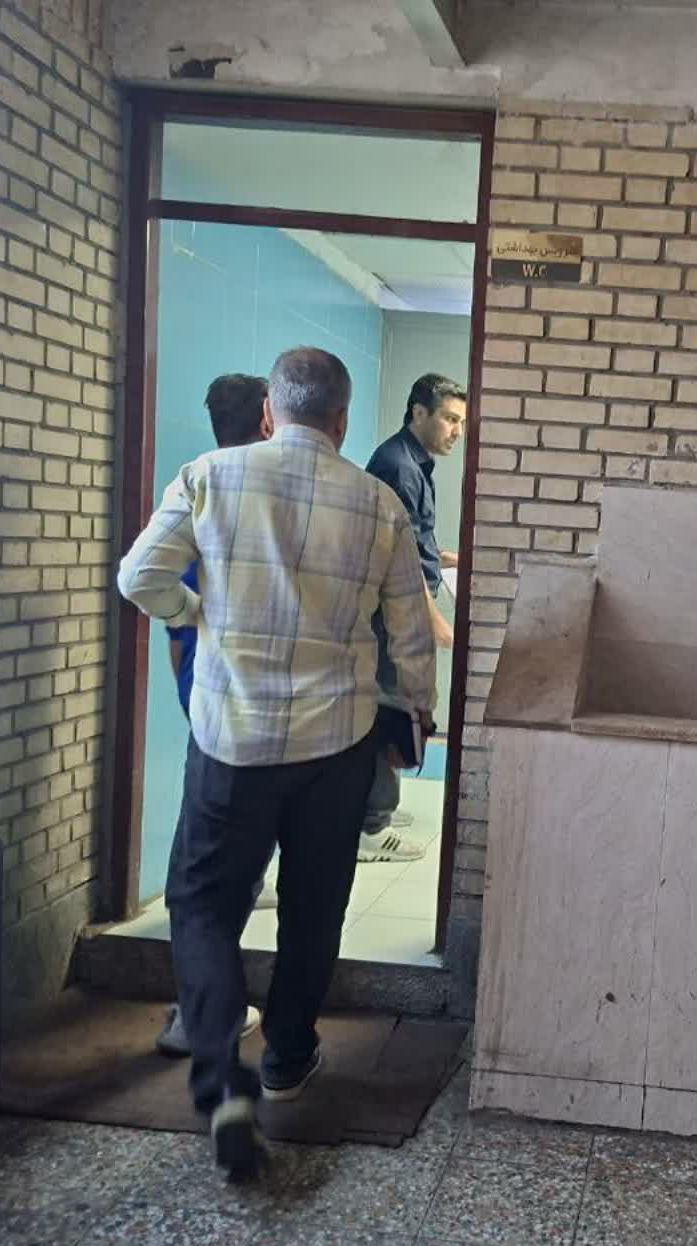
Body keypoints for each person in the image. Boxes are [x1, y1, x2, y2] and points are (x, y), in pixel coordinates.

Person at [117, 347, 438, 1179]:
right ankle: (289, 1058)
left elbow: (139, 578)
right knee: (314, 905)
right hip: (337, 742)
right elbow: (410, 631)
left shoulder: (208, 477)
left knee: (203, 903)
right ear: (342, 418)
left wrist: (195, 613)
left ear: (270, 411)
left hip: (233, 738)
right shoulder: (378, 502)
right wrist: (418, 710)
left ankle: (220, 1078)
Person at [155, 374, 270, 1060]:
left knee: (200, 874)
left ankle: (202, 1011)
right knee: (212, 877)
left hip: (213, 708)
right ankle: (205, 1016)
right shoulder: (264, 495)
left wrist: (189, 637)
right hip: (274, 716)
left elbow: (164, 603)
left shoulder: (196, 487)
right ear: (268, 419)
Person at [360, 373, 466, 862]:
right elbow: (396, 558)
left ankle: (377, 808)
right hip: (394, 615)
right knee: (392, 707)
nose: (456, 431)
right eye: (449, 419)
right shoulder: (400, 467)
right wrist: (433, 620)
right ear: (418, 413)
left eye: (460, 422)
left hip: (399, 610)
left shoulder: (413, 462)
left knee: (398, 704)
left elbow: (412, 536)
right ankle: (371, 828)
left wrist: (445, 557)